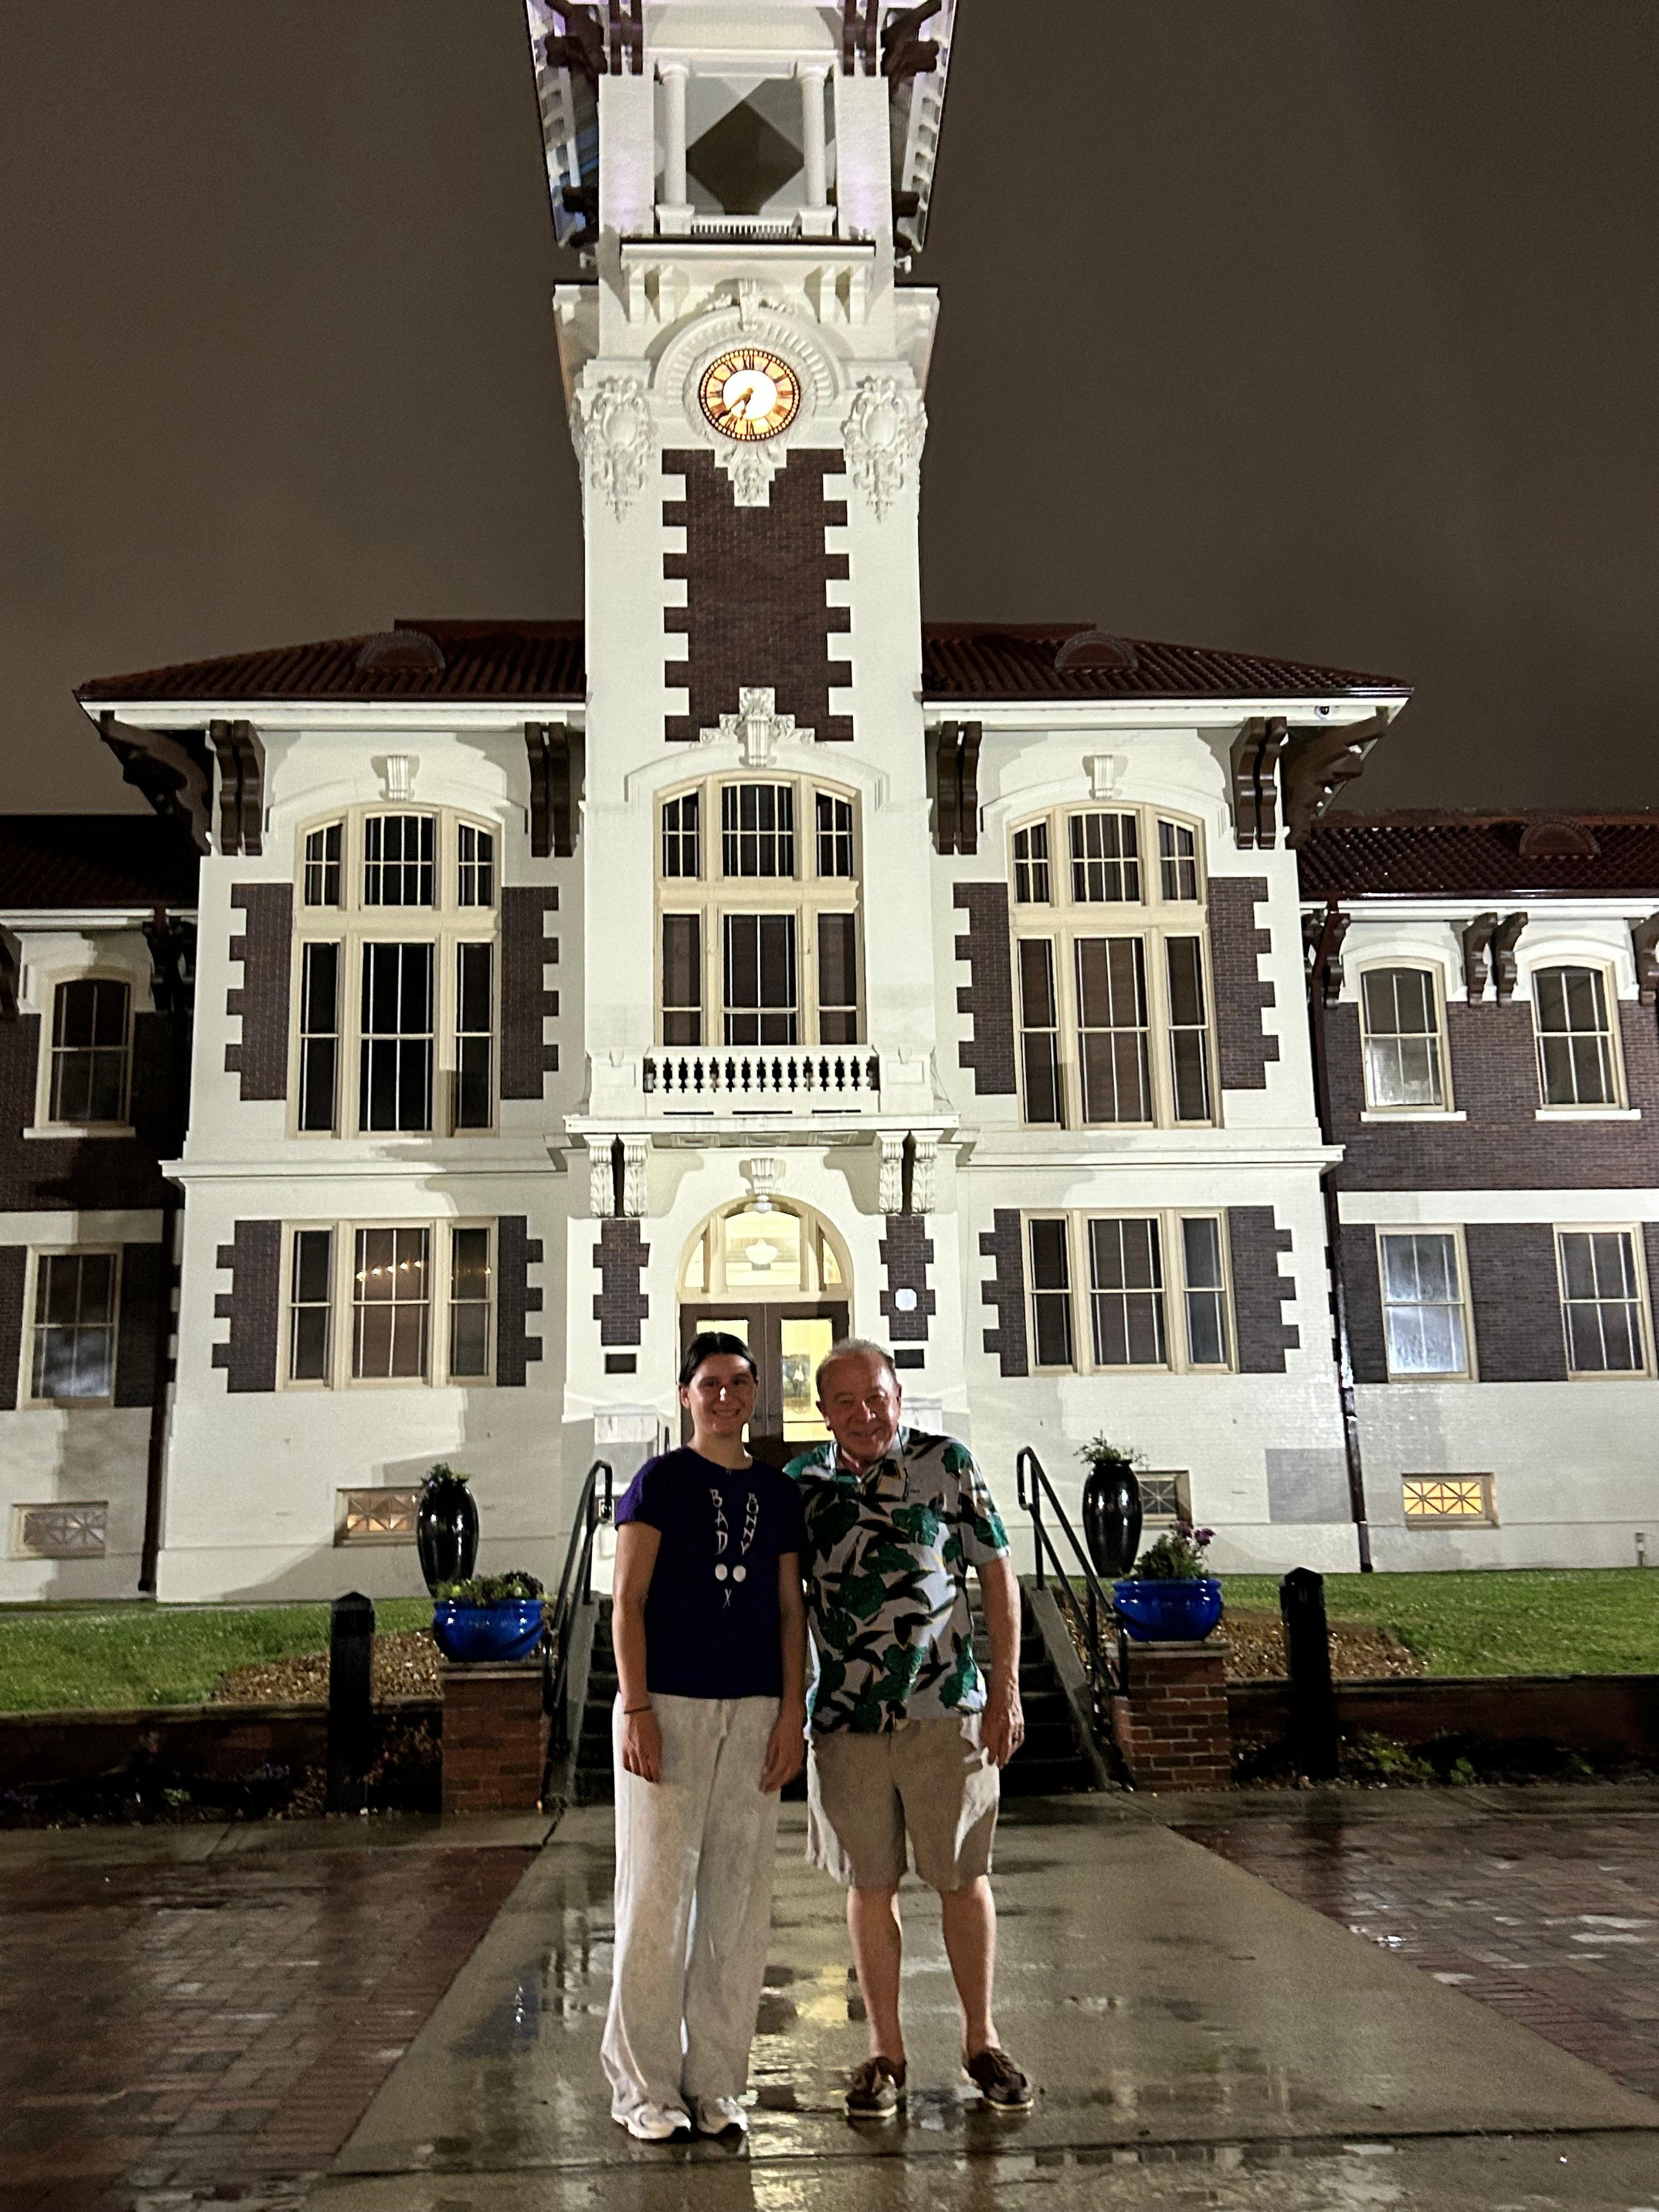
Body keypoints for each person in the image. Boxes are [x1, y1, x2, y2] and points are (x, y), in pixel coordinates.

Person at [784, 1340, 1032, 2118]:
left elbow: (996, 1573)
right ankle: (884, 2053)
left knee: (961, 1876)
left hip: (945, 1708)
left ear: (899, 1396)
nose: (865, 1415)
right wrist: (789, 1709)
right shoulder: (801, 1487)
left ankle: (981, 2041)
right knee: (870, 1884)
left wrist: (1006, 1692)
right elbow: (785, 1609)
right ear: (822, 1412)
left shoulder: (946, 1463)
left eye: (877, 1397)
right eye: (846, 1403)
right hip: (847, 1721)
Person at [600, 1331, 809, 2142]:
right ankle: (644, 2089)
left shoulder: (778, 1493)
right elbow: (627, 1602)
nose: (726, 1397)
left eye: (740, 1384)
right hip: (672, 1708)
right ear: (686, 1395)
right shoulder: (660, 1482)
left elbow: (791, 1609)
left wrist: (792, 1713)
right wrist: (637, 1708)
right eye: (710, 1384)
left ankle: (718, 2080)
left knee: (738, 1903)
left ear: (756, 1394)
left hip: (754, 1708)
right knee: (655, 1897)